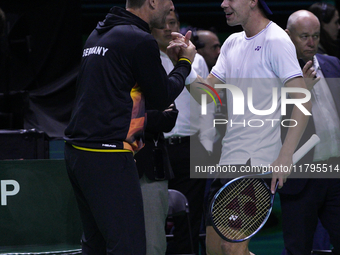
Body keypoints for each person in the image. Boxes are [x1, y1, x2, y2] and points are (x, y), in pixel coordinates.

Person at [168, 0, 312, 254]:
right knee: (215, 250)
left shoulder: (276, 40)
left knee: (231, 248)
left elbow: (302, 99)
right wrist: (186, 64)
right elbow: (207, 97)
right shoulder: (233, 43)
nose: (223, 3)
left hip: (256, 163)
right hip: (227, 162)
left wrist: (285, 156)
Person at [63, 0, 197, 253]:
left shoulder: (99, 32)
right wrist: (184, 63)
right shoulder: (138, 39)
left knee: (96, 245)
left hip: (78, 152)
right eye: (167, 4)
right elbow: (161, 97)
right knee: (129, 248)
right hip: (107, 154)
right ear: (152, 2)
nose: (171, 10)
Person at [279, 10, 340, 255]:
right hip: (300, 177)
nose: (311, 43)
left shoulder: (333, 64)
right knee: (298, 248)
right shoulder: (274, 74)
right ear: (288, 36)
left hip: (335, 173)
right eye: (304, 36)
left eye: (315, 36)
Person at [154, 10, 215, 254]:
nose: (169, 29)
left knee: (189, 221)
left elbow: (208, 103)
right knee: (156, 215)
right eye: (164, 24)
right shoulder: (144, 58)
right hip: (157, 147)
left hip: (190, 147)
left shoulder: (196, 59)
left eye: (174, 23)